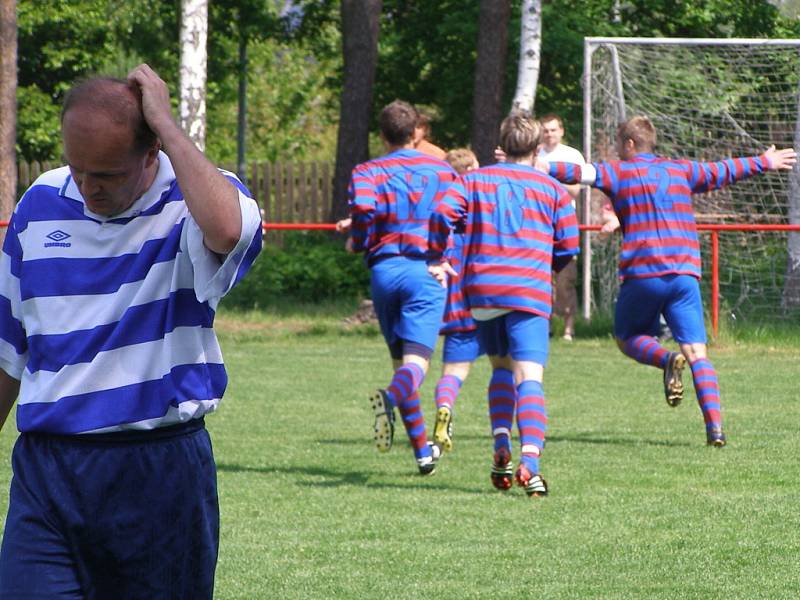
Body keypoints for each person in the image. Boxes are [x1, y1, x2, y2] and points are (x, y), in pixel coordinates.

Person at [0, 64, 263, 598]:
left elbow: (229, 230)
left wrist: (165, 121)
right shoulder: (39, 205)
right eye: (78, 169)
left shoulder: (195, 202)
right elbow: (9, 349)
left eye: (108, 175)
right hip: (47, 471)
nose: (89, 187)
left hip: (158, 474)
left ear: (151, 155)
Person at [540, 115, 796, 447]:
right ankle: (715, 428)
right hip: (684, 272)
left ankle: (665, 359)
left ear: (630, 144)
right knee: (697, 352)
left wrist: (538, 165)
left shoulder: (619, 171)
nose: (617, 150)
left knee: (627, 336)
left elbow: (580, 173)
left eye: (619, 144)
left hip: (644, 272)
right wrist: (764, 161)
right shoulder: (681, 170)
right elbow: (722, 171)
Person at [429, 113, 579, 497]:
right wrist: (547, 267)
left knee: (499, 368)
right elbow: (569, 245)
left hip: (484, 292)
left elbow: (440, 213)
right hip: (528, 290)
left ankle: (500, 447)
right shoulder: (552, 189)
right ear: (534, 147)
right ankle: (530, 462)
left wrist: (435, 255)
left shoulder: (473, 180)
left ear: (503, 143)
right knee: (529, 376)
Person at [348, 100, 457, 475]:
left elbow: (363, 209)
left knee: (399, 363)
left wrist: (360, 240)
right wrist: (444, 255)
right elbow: (454, 217)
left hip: (383, 271)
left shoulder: (367, 171)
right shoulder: (443, 171)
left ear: (382, 136)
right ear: (416, 133)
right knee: (415, 366)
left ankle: (422, 453)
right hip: (423, 271)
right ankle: (388, 399)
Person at [430, 148, 483, 452]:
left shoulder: (443, 219)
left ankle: (445, 405)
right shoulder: (481, 209)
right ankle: (511, 433)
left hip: (456, 307)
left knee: (453, 372)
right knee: (513, 368)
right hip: (488, 298)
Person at [538, 114, 585, 341]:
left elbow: (575, 190)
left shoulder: (572, 155)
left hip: (564, 223)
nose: (549, 134)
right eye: (545, 130)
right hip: (539, 223)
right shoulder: (534, 154)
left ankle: (569, 328)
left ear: (561, 131)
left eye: (553, 130)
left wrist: (548, 180)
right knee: (542, 277)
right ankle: (543, 325)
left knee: (566, 278)